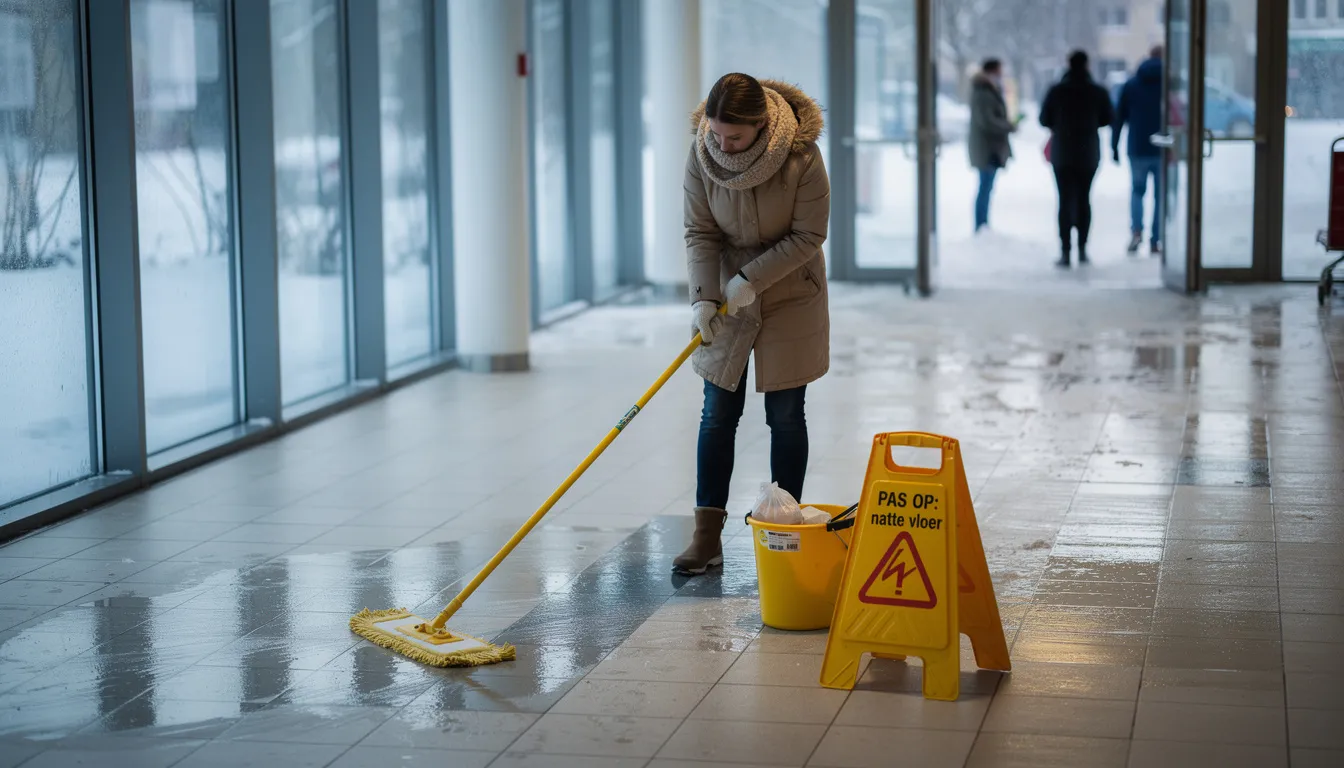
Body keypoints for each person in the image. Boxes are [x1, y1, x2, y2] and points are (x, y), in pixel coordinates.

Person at [675, 72, 830, 575]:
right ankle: (706, 538)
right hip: (726, 297)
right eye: (716, 133)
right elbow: (700, 231)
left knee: (785, 414)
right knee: (717, 411)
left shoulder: (801, 157)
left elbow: (810, 234)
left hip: (790, 289)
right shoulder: (703, 153)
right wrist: (704, 298)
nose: (722, 144)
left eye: (734, 137)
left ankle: (784, 534)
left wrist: (753, 276)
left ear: (762, 125)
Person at [1040, 50, 1116, 267]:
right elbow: (1108, 118)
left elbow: (1044, 119)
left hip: (1062, 153)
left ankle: (1065, 251)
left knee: (1064, 201)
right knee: (1084, 199)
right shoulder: (1097, 91)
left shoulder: (1057, 91)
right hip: (1088, 153)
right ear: (1087, 65)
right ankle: (1082, 249)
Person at [1112, 45, 1164, 256]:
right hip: (1163, 146)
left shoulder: (1132, 84)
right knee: (1161, 196)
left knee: (1137, 191)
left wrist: (1113, 146)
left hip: (1137, 147)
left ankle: (1136, 233)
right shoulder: (1170, 83)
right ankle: (1156, 240)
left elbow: (1119, 118)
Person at [968, 58, 1017, 232]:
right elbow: (987, 121)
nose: (1001, 74)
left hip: (991, 148)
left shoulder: (988, 90)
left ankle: (983, 225)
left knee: (987, 187)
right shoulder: (983, 92)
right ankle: (981, 226)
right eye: (999, 71)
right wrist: (1008, 126)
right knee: (984, 187)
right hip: (987, 149)